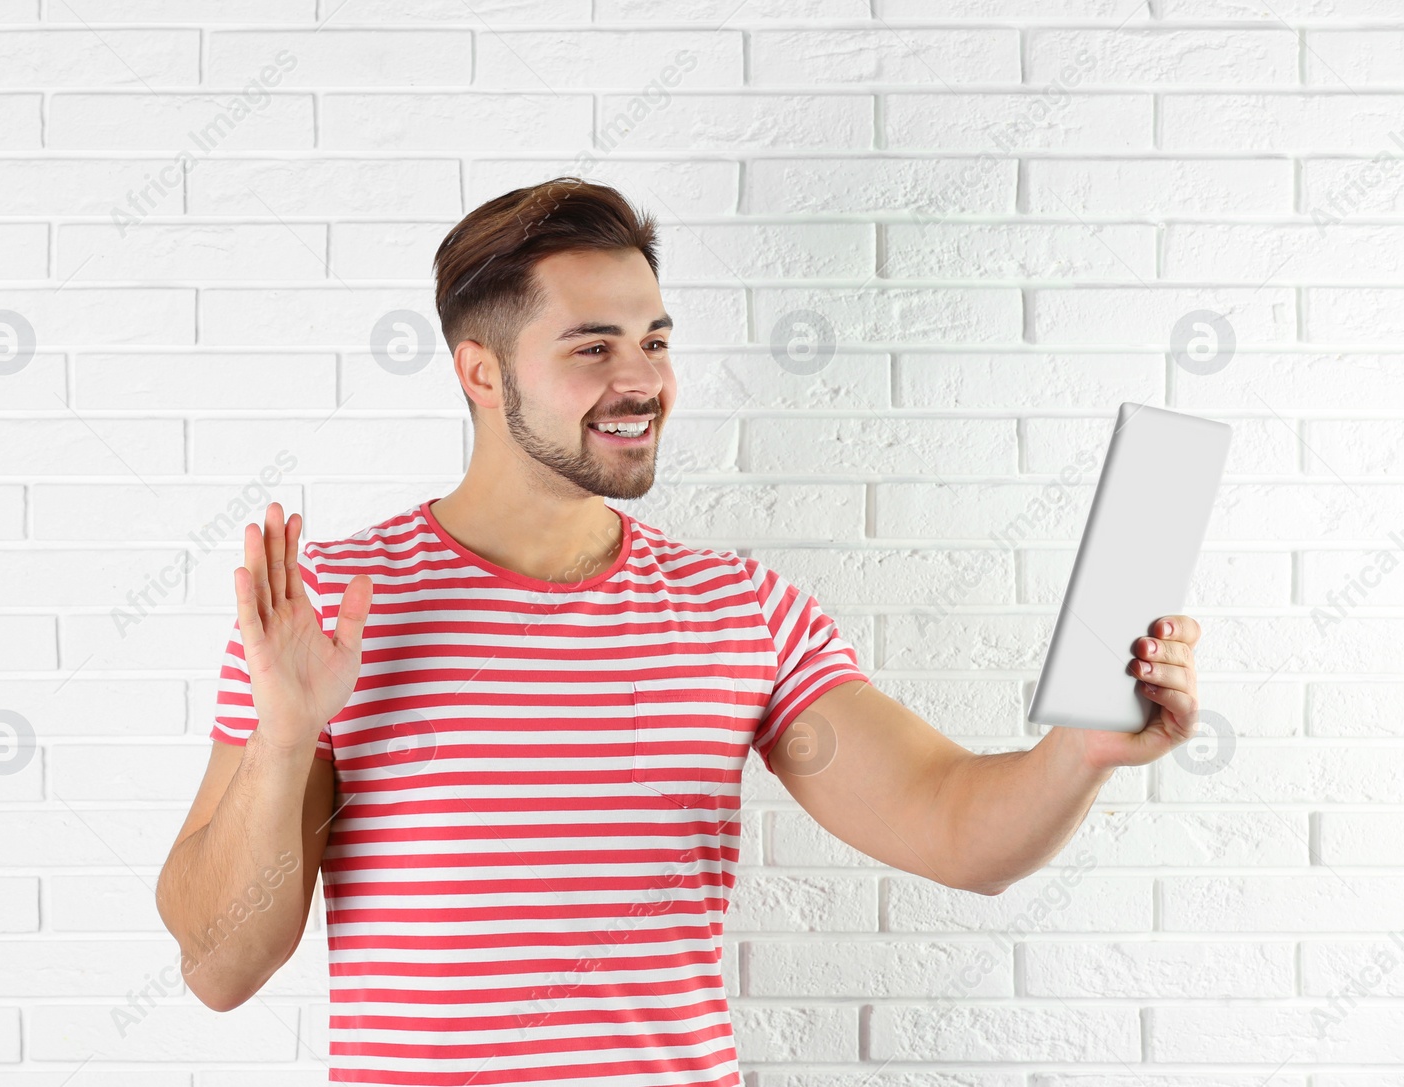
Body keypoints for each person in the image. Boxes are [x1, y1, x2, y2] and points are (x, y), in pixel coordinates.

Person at [155, 177, 1203, 1085]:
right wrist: (288, 736)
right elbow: (219, 965)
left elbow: (957, 831)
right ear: (481, 372)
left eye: (655, 341)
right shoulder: (333, 605)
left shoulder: (740, 611)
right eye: (592, 346)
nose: (642, 381)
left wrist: (1081, 750)